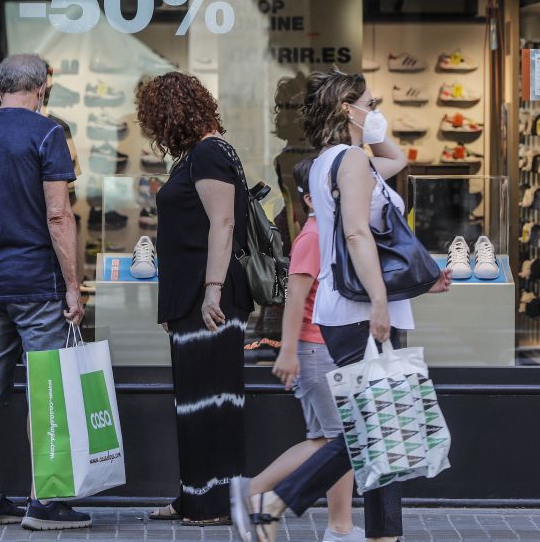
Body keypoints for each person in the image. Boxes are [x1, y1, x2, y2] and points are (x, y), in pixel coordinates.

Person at [231, 67, 452, 542]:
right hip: (357, 309)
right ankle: (276, 499)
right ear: (345, 109)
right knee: (371, 425)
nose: (377, 112)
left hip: (350, 308)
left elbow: (398, 160)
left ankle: (382, 533)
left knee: (381, 423)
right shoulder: (350, 160)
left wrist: (378, 132)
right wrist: (377, 300)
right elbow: (356, 233)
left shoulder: (339, 159)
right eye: (370, 105)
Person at [0, 54, 88, 531]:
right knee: (46, 387)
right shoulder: (47, 134)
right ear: (42, 88)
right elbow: (58, 215)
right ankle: (44, 501)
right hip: (37, 284)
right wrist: (73, 284)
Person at [136, 72, 254, 526]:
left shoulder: (209, 153)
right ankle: (193, 497)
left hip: (212, 302)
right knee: (196, 401)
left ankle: (212, 503)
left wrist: (211, 292)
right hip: (193, 300)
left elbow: (222, 224)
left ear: (171, 114)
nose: (155, 131)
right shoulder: (200, 154)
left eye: (156, 120)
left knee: (211, 402)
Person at [232, 157, 364, 542]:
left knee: (328, 440)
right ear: (310, 198)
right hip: (316, 349)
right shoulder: (313, 236)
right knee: (341, 441)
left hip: (323, 348)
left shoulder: (331, 231)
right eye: (334, 188)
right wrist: (287, 351)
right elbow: (294, 298)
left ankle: (339, 526)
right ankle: (255, 492)